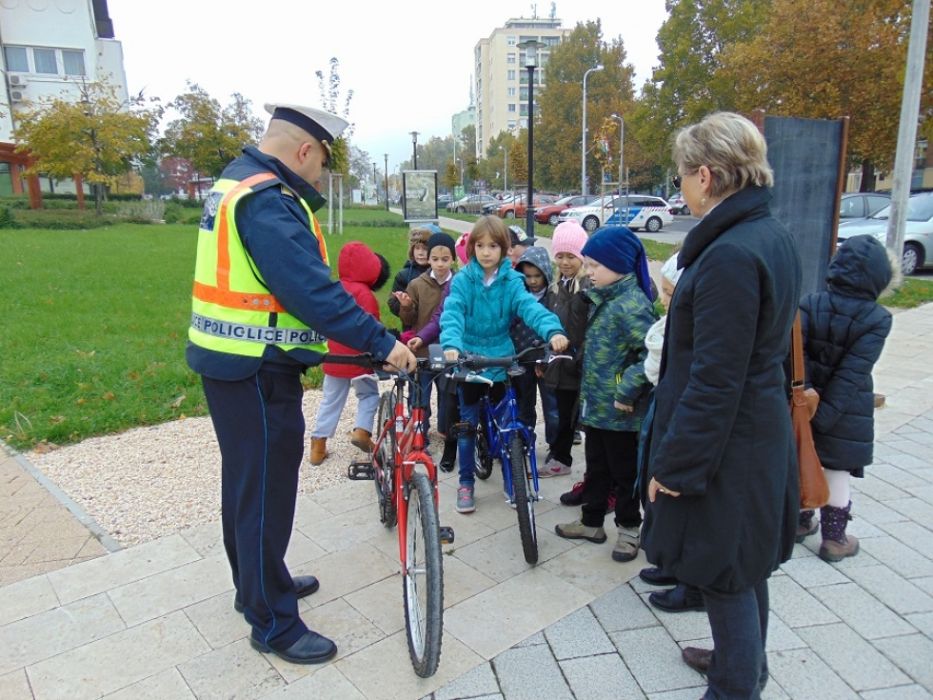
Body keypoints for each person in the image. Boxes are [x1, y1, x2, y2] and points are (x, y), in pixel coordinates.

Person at [187, 103, 416, 666]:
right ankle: (272, 622)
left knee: (246, 482)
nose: (321, 178)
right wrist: (383, 342)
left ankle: (257, 587)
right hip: (256, 367)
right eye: (323, 166)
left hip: (231, 361)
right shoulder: (266, 199)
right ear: (305, 151)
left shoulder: (236, 181)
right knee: (264, 490)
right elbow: (311, 290)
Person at [641, 111, 802, 698]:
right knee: (743, 561)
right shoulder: (767, 233)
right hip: (751, 430)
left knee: (724, 569)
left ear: (706, 176)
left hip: (731, 443)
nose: (680, 186)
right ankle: (745, 661)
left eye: (682, 174)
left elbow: (714, 380)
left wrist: (676, 468)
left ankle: (736, 684)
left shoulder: (731, 253)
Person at [440, 215, 569, 514]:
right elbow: (453, 313)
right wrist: (451, 345)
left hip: (500, 357)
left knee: (507, 422)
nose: (486, 252)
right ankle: (466, 482)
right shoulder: (463, 281)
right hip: (469, 360)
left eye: (494, 246)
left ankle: (513, 481)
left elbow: (529, 308)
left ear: (505, 249)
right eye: (481, 245)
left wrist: (554, 330)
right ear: (472, 247)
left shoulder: (512, 281)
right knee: (468, 425)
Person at [554, 226, 657, 564]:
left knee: (624, 473)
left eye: (596, 266)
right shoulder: (605, 298)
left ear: (620, 266)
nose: (589, 271)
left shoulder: (632, 305)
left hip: (621, 410)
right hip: (598, 406)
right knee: (596, 466)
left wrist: (624, 389)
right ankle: (592, 522)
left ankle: (629, 529)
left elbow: (651, 355)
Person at [797, 234, 895, 562]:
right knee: (836, 471)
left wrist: (809, 404)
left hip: (805, 406)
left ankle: (799, 521)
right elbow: (853, 374)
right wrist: (826, 416)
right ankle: (834, 540)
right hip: (846, 412)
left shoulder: (811, 302)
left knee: (803, 459)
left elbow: (799, 356)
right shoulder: (878, 319)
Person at [636, 253, 705, 613]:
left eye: (670, 292)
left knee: (680, 502)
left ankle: (690, 583)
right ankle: (672, 565)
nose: (664, 300)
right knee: (660, 495)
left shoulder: (692, 329)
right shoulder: (670, 325)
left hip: (683, 421)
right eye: (662, 292)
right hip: (662, 409)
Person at [308, 241, 391, 466]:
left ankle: (318, 444)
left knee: (331, 400)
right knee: (368, 395)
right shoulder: (366, 295)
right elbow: (373, 327)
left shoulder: (334, 289)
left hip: (334, 357)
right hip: (359, 358)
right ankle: (362, 431)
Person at [544, 221, 591, 483]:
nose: (565, 262)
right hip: (561, 363)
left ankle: (580, 465)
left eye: (571, 256)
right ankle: (560, 458)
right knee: (563, 415)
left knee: (581, 418)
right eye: (560, 256)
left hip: (581, 362)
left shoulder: (587, 287)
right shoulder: (557, 288)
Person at [400, 231, 457, 441]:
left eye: (445, 259)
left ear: (453, 259)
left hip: (448, 350)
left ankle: (446, 429)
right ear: (428, 260)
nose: (440, 264)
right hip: (422, 349)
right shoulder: (417, 284)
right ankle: (419, 432)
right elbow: (408, 317)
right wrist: (405, 306)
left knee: (447, 393)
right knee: (420, 393)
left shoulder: (458, 284)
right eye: (435, 259)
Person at [509, 246, 560, 460]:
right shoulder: (518, 296)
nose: (532, 281)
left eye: (537, 276)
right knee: (523, 404)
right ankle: (524, 441)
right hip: (522, 358)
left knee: (552, 407)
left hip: (546, 360)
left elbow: (558, 326)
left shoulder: (554, 297)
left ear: (546, 273)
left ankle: (555, 447)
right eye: (527, 276)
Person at [388, 226, 433, 327]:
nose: (420, 253)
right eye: (417, 248)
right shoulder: (403, 276)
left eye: (425, 249)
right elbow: (392, 302)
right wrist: (405, 305)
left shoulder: (437, 273)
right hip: (411, 328)